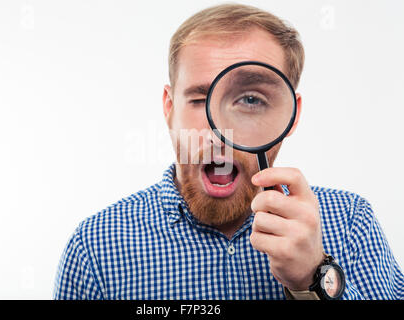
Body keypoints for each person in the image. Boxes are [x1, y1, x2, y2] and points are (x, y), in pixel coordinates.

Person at [53, 3, 404, 300]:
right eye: (200, 98)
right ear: (169, 108)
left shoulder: (351, 223)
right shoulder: (96, 248)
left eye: (250, 100)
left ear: (291, 115)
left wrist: (313, 278)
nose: (220, 131)